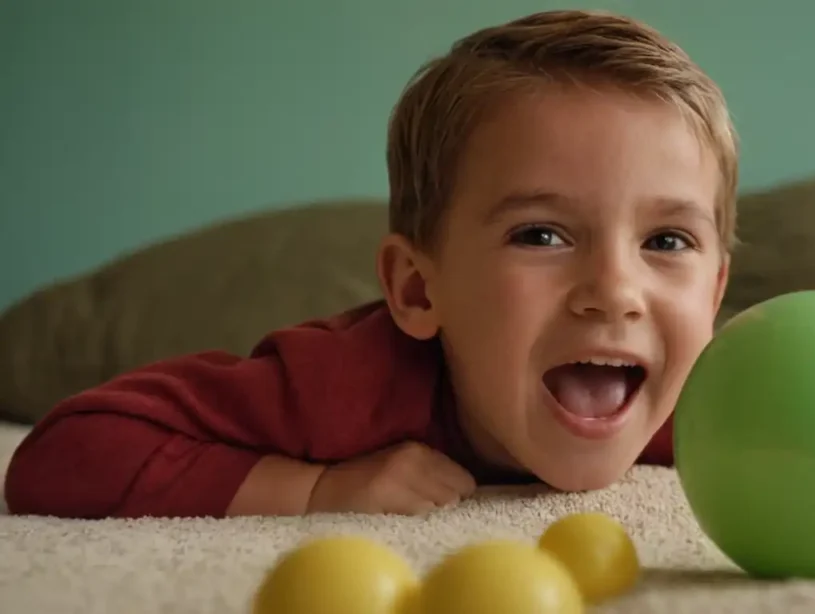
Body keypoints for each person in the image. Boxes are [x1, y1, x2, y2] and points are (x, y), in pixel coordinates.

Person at [3, 9, 738, 519]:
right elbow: (63, 455)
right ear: (419, 289)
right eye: (541, 235)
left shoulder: (718, 404)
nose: (615, 292)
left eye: (667, 242)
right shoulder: (345, 386)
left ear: (714, 293)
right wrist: (311, 492)